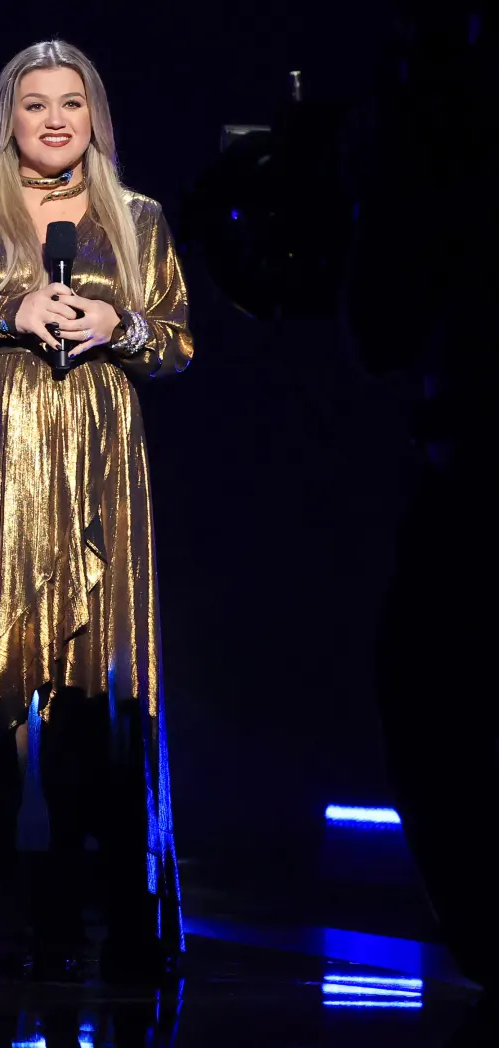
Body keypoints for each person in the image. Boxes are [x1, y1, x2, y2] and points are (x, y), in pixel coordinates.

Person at [0, 39, 192, 980]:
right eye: (35, 103)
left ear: (95, 114)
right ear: (8, 117)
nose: (55, 119)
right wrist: (5, 313)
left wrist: (120, 324)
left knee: (94, 687)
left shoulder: (138, 219)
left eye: (72, 102)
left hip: (98, 462)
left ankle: (98, 905)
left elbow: (177, 343)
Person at [345, 3, 498, 996]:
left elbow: (381, 323)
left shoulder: (449, 114)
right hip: (468, 468)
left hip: (474, 476)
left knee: (431, 691)